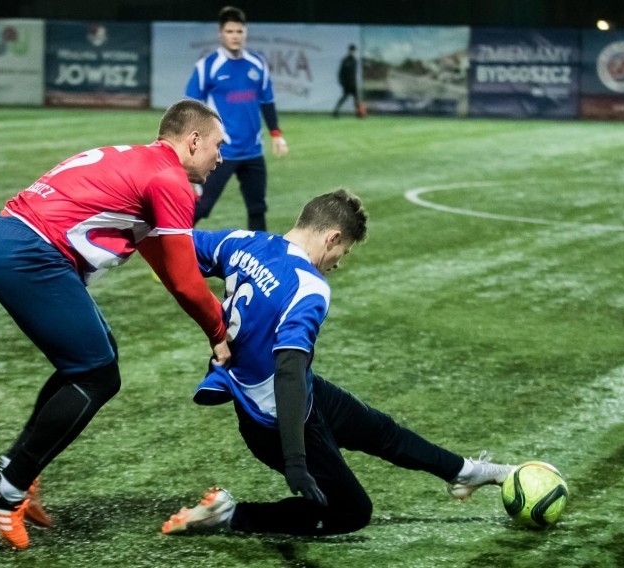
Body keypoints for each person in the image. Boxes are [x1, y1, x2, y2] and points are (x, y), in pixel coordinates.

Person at [159, 190, 512, 537]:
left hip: (290, 393)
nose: (338, 262)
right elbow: (288, 369)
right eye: (343, 251)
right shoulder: (309, 286)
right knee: (352, 512)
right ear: (333, 237)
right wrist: (295, 459)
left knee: (380, 430)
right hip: (277, 416)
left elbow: (173, 243)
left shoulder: (243, 241)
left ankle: (464, 472)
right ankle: (231, 515)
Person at [0, 99, 232, 550]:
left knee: (90, 362)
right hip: (27, 254)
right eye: (216, 145)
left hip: (13, 241)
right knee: (96, 373)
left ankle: (18, 473)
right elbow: (186, 283)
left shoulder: (143, 162)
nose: (220, 157)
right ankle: (8, 487)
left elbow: (172, 268)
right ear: (193, 140)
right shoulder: (169, 179)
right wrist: (219, 334)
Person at [185, 5, 288, 232]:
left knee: (257, 208)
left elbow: (267, 102)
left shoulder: (257, 64)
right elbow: (191, 107)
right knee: (202, 207)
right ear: (220, 33)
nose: (235, 36)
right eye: (230, 31)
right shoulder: (207, 66)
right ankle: (166, 248)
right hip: (221, 152)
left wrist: (276, 134)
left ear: (245, 33)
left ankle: (257, 263)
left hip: (253, 151)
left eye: (239, 32)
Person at [333, 44, 362, 118]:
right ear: (349, 50)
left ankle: (358, 113)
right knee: (344, 97)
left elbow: (355, 73)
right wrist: (341, 81)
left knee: (356, 99)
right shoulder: (345, 60)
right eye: (351, 50)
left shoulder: (355, 61)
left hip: (353, 83)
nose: (352, 52)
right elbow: (340, 72)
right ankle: (336, 111)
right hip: (346, 83)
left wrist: (355, 83)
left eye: (353, 51)